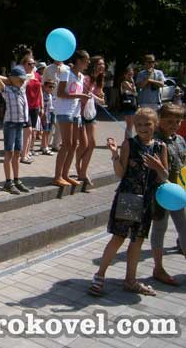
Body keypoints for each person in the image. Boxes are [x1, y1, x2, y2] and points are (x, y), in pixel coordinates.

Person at [89, 108, 168, 297]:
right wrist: (114, 154)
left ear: (155, 125)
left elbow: (165, 177)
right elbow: (120, 173)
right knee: (118, 237)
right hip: (128, 197)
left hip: (147, 201)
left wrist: (158, 167)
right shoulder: (129, 144)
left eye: (147, 124)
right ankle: (100, 275)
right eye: (138, 124)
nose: (143, 128)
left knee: (138, 240)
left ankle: (130, 280)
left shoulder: (161, 147)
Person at [150, 104, 186, 286]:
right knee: (159, 229)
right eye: (170, 121)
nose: (174, 125)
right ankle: (158, 268)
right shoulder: (154, 142)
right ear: (159, 120)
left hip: (178, 193)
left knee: (184, 229)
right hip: (160, 194)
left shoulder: (180, 140)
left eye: (178, 121)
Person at [52, 51, 91, 187]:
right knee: (66, 144)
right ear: (79, 61)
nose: (88, 63)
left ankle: (65, 175)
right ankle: (57, 176)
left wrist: (84, 97)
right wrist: (80, 96)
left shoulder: (81, 76)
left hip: (75, 113)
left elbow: (77, 94)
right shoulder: (66, 72)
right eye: (86, 60)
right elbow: (60, 93)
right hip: (64, 111)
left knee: (74, 144)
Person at [0, 67, 31, 195]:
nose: (22, 81)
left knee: (17, 153)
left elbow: (30, 76)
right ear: (13, 78)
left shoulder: (22, 88)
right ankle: (8, 182)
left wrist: (19, 79)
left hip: (20, 123)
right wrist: (10, 80)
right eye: (20, 79)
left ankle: (16, 180)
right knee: (9, 153)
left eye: (23, 80)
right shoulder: (7, 90)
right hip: (10, 124)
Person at [75, 55, 106, 187]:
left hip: (91, 112)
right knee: (84, 144)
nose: (102, 66)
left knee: (92, 143)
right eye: (99, 64)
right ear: (93, 65)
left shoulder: (99, 80)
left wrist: (100, 97)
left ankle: (83, 172)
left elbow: (101, 99)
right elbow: (82, 95)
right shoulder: (86, 78)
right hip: (80, 113)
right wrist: (93, 96)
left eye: (103, 64)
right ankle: (78, 165)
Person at [20, 53, 42, 164]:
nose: (32, 65)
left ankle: (27, 152)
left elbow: (40, 90)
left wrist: (42, 105)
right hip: (25, 106)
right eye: (29, 63)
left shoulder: (37, 75)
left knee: (32, 131)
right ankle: (23, 154)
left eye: (33, 64)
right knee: (27, 130)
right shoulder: (21, 75)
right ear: (24, 64)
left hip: (35, 106)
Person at [43, 60, 69, 151]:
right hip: (51, 99)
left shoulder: (67, 68)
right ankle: (46, 144)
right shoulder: (48, 68)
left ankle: (56, 144)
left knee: (60, 123)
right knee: (50, 122)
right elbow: (43, 83)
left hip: (63, 100)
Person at [120, 66, 138, 139]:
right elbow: (133, 90)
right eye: (129, 74)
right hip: (127, 105)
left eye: (132, 74)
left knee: (131, 125)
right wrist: (133, 82)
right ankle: (127, 140)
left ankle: (129, 139)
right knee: (129, 125)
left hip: (132, 105)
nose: (131, 76)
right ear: (125, 75)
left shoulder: (131, 83)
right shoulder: (125, 82)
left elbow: (135, 93)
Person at [40, 80, 56, 155]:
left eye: (53, 87)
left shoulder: (51, 95)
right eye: (50, 86)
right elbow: (43, 106)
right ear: (45, 87)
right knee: (45, 131)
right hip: (46, 115)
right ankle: (44, 147)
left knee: (48, 131)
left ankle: (46, 146)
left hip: (51, 114)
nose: (51, 88)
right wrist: (43, 116)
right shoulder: (43, 95)